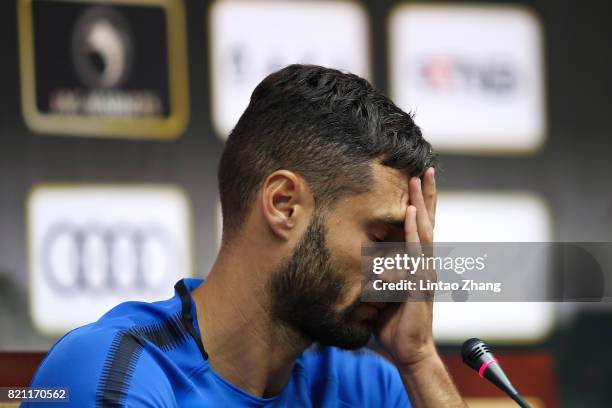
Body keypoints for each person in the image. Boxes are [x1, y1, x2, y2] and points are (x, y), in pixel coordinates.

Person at [26, 64, 466, 407]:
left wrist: (420, 359)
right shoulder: (114, 370)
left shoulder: (371, 385)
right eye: (382, 235)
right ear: (283, 205)